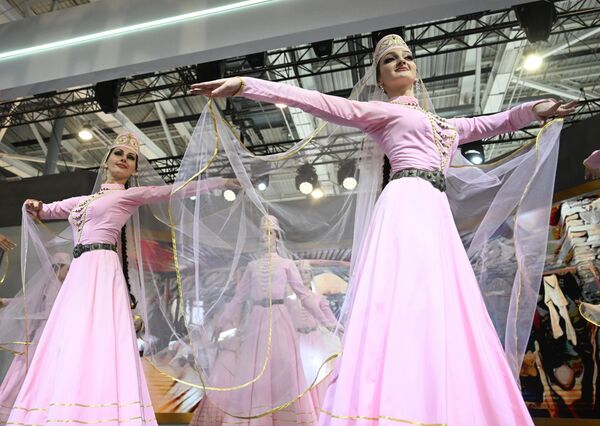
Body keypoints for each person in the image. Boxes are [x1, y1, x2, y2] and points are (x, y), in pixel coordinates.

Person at [189, 34, 576, 425]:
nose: (402, 62)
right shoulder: (381, 112)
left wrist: (536, 108)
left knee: (440, 299)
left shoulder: (444, 124)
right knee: (402, 297)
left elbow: (497, 121)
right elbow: (320, 103)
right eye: (390, 59)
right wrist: (247, 86)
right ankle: (393, 398)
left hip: (433, 209)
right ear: (379, 75)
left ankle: (440, 395)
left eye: (407, 56)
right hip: (405, 203)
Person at [4, 131, 234, 425]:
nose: (124, 159)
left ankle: (102, 408)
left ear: (135, 168)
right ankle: (66, 402)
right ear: (107, 160)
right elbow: (48, 210)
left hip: (102, 266)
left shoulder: (128, 196)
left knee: (99, 332)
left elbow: (173, 190)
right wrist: (35, 206)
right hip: (80, 269)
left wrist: (219, 182)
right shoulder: (82, 201)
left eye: (131, 158)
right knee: (71, 333)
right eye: (119, 154)